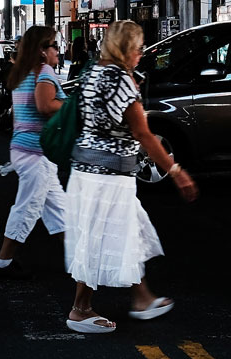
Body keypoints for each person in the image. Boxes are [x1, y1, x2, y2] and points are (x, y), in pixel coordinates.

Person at [63, 20, 197, 334]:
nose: (141, 55)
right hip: (110, 173)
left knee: (126, 232)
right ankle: (80, 309)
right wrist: (176, 171)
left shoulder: (92, 72)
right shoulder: (122, 80)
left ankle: (142, 298)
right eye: (138, 49)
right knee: (99, 237)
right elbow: (143, 133)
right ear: (126, 49)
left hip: (86, 167)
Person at [0, 26, 68, 280]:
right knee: (27, 208)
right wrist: (70, 105)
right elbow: (45, 106)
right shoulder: (44, 71)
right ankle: (3, 262)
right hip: (36, 152)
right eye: (54, 45)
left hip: (24, 149)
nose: (59, 50)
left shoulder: (21, 73)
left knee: (58, 208)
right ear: (42, 51)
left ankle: (78, 257)